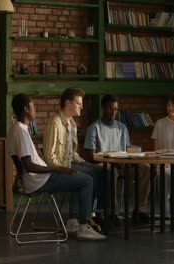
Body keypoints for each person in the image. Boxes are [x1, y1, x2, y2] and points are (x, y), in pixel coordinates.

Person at [7, 93, 105, 240]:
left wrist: (19, 180)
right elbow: (29, 166)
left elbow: (20, 163)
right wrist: (57, 169)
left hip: (35, 179)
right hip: (41, 180)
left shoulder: (15, 129)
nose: (36, 109)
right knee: (87, 180)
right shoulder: (21, 132)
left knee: (78, 176)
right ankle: (83, 228)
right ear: (26, 109)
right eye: (33, 106)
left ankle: (73, 224)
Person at [43, 87, 105, 232]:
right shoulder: (55, 123)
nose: (81, 106)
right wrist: (64, 169)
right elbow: (48, 156)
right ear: (68, 103)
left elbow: (73, 154)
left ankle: (90, 213)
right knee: (87, 176)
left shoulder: (72, 124)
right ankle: (77, 218)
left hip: (70, 162)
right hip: (59, 168)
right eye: (78, 103)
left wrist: (86, 163)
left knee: (99, 170)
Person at [84, 94, 151, 224]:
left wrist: (133, 155)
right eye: (110, 108)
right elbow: (89, 157)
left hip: (122, 164)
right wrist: (110, 161)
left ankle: (139, 210)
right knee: (110, 171)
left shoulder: (122, 127)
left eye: (115, 109)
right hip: (104, 164)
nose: (113, 112)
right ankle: (112, 212)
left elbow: (127, 150)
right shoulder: (94, 128)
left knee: (146, 169)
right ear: (103, 108)